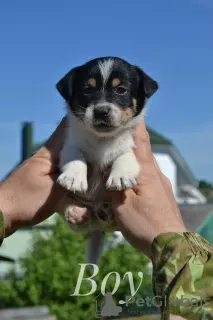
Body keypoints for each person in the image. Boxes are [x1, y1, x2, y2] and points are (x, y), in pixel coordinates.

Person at [0, 118, 212, 319]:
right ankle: (88, 215)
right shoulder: (76, 135)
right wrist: (176, 244)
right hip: (86, 200)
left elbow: (126, 156)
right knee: (71, 191)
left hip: (105, 204)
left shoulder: (125, 137)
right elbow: (70, 154)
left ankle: (96, 216)